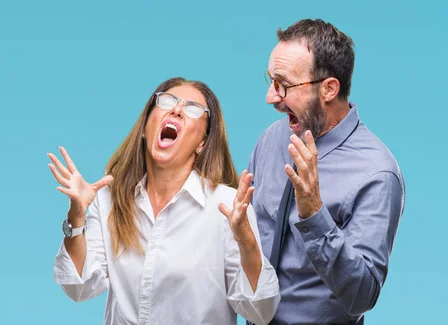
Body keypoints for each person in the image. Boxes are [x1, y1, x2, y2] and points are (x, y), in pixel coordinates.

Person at [49, 77, 280, 325]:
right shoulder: (109, 199)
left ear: (202, 142)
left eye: (193, 109)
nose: (177, 110)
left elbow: (260, 311)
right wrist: (77, 217)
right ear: (146, 126)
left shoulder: (227, 206)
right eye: (167, 101)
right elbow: (78, 287)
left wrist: (246, 242)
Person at [247, 19, 406, 325]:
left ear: (329, 89)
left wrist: (314, 214)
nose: (270, 96)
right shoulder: (270, 139)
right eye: (271, 80)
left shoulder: (377, 174)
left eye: (283, 84)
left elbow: (362, 296)